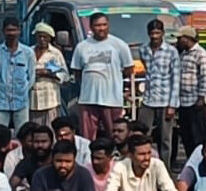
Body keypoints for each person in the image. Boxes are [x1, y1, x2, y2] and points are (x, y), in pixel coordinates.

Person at [70, 12, 134, 140]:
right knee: (87, 138)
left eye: (104, 24)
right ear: (91, 27)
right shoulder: (82, 47)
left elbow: (129, 68)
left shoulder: (119, 45)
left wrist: (114, 81)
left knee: (115, 135)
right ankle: (87, 159)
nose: (101, 28)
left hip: (112, 99)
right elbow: (77, 72)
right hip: (88, 99)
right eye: (98, 25)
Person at [139, 19, 178, 162]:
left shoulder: (171, 52)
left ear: (163, 33)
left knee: (165, 139)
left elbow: (176, 78)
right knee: (143, 136)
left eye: (157, 33)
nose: (155, 36)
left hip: (165, 100)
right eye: (152, 33)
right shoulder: (143, 50)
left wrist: (172, 105)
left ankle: (165, 169)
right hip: (148, 100)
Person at [0, 17, 36, 130]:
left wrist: (23, 91)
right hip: (1, 102)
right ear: (3, 31)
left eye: (14, 30)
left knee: (23, 135)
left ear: (19, 31)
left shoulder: (28, 53)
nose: (11, 33)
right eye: (8, 30)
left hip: (21, 102)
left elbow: (31, 77)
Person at [174, 25, 206, 157]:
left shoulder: (201, 54)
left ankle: (199, 161)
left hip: (195, 102)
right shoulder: (183, 53)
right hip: (183, 101)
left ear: (187, 39)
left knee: (197, 135)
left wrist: (202, 98)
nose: (178, 41)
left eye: (180, 38)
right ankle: (190, 159)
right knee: (186, 135)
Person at [30, 23, 67, 127]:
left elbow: (64, 75)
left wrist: (47, 73)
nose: (42, 39)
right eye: (39, 36)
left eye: (45, 37)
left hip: (50, 100)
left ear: (50, 38)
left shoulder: (55, 54)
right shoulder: (29, 51)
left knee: (51, 129)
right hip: (32, 100)